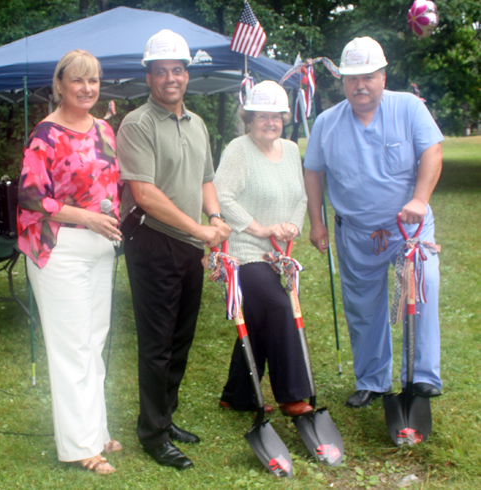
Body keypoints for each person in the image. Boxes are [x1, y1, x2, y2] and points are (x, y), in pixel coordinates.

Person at [303, 37, 443, 409]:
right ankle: (372, 380)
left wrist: (419, 199)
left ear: (383, 76)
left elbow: (432, 151)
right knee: (363, 306)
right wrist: (316, 223)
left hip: (408, 228)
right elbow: (314, 172)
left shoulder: (409, 108)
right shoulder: (326, 123)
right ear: (342, 82)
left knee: (423, 286)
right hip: (355, 232)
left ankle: (422, 377)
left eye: (368, 76)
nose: (360, 85)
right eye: (351, 78)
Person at [116, 29, 231, 470]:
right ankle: (153, 433)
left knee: (181, 338)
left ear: (187, 74)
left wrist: (215, 218)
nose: (170, 78)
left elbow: (205, 180)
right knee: (157, 342)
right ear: (149, 77)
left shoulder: (197, 123)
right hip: (152, 240)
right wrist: (199, 232)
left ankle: (164, 417)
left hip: (188, 244)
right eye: (161, 71)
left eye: (177, 70)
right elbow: (144, 194)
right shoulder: (137, 124)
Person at [17, 50, 122, 474]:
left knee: (94, 341)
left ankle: (94, 431)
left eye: (93, 80)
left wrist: (107, 221)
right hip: (58, 247)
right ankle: (80, 446)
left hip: (100, 247)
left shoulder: (105, 129)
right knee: (71, 348)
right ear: (59, 84)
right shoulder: (46, 133)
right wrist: (88, 217)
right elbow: (29, 195)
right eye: (77, 81)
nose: (87, 88)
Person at [214, 81, 312, 417]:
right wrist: (260, 228)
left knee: (256, 320)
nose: (270, 122)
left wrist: (293, 226)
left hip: (278, 252)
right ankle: (294, 395)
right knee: (279, 307)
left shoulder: (289, 150)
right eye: (262, 116)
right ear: (249, 118)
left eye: (276, 116)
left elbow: (300, 196)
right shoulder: (239, 150)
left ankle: (238, 394)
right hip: (245, 250)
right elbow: (221, 196)